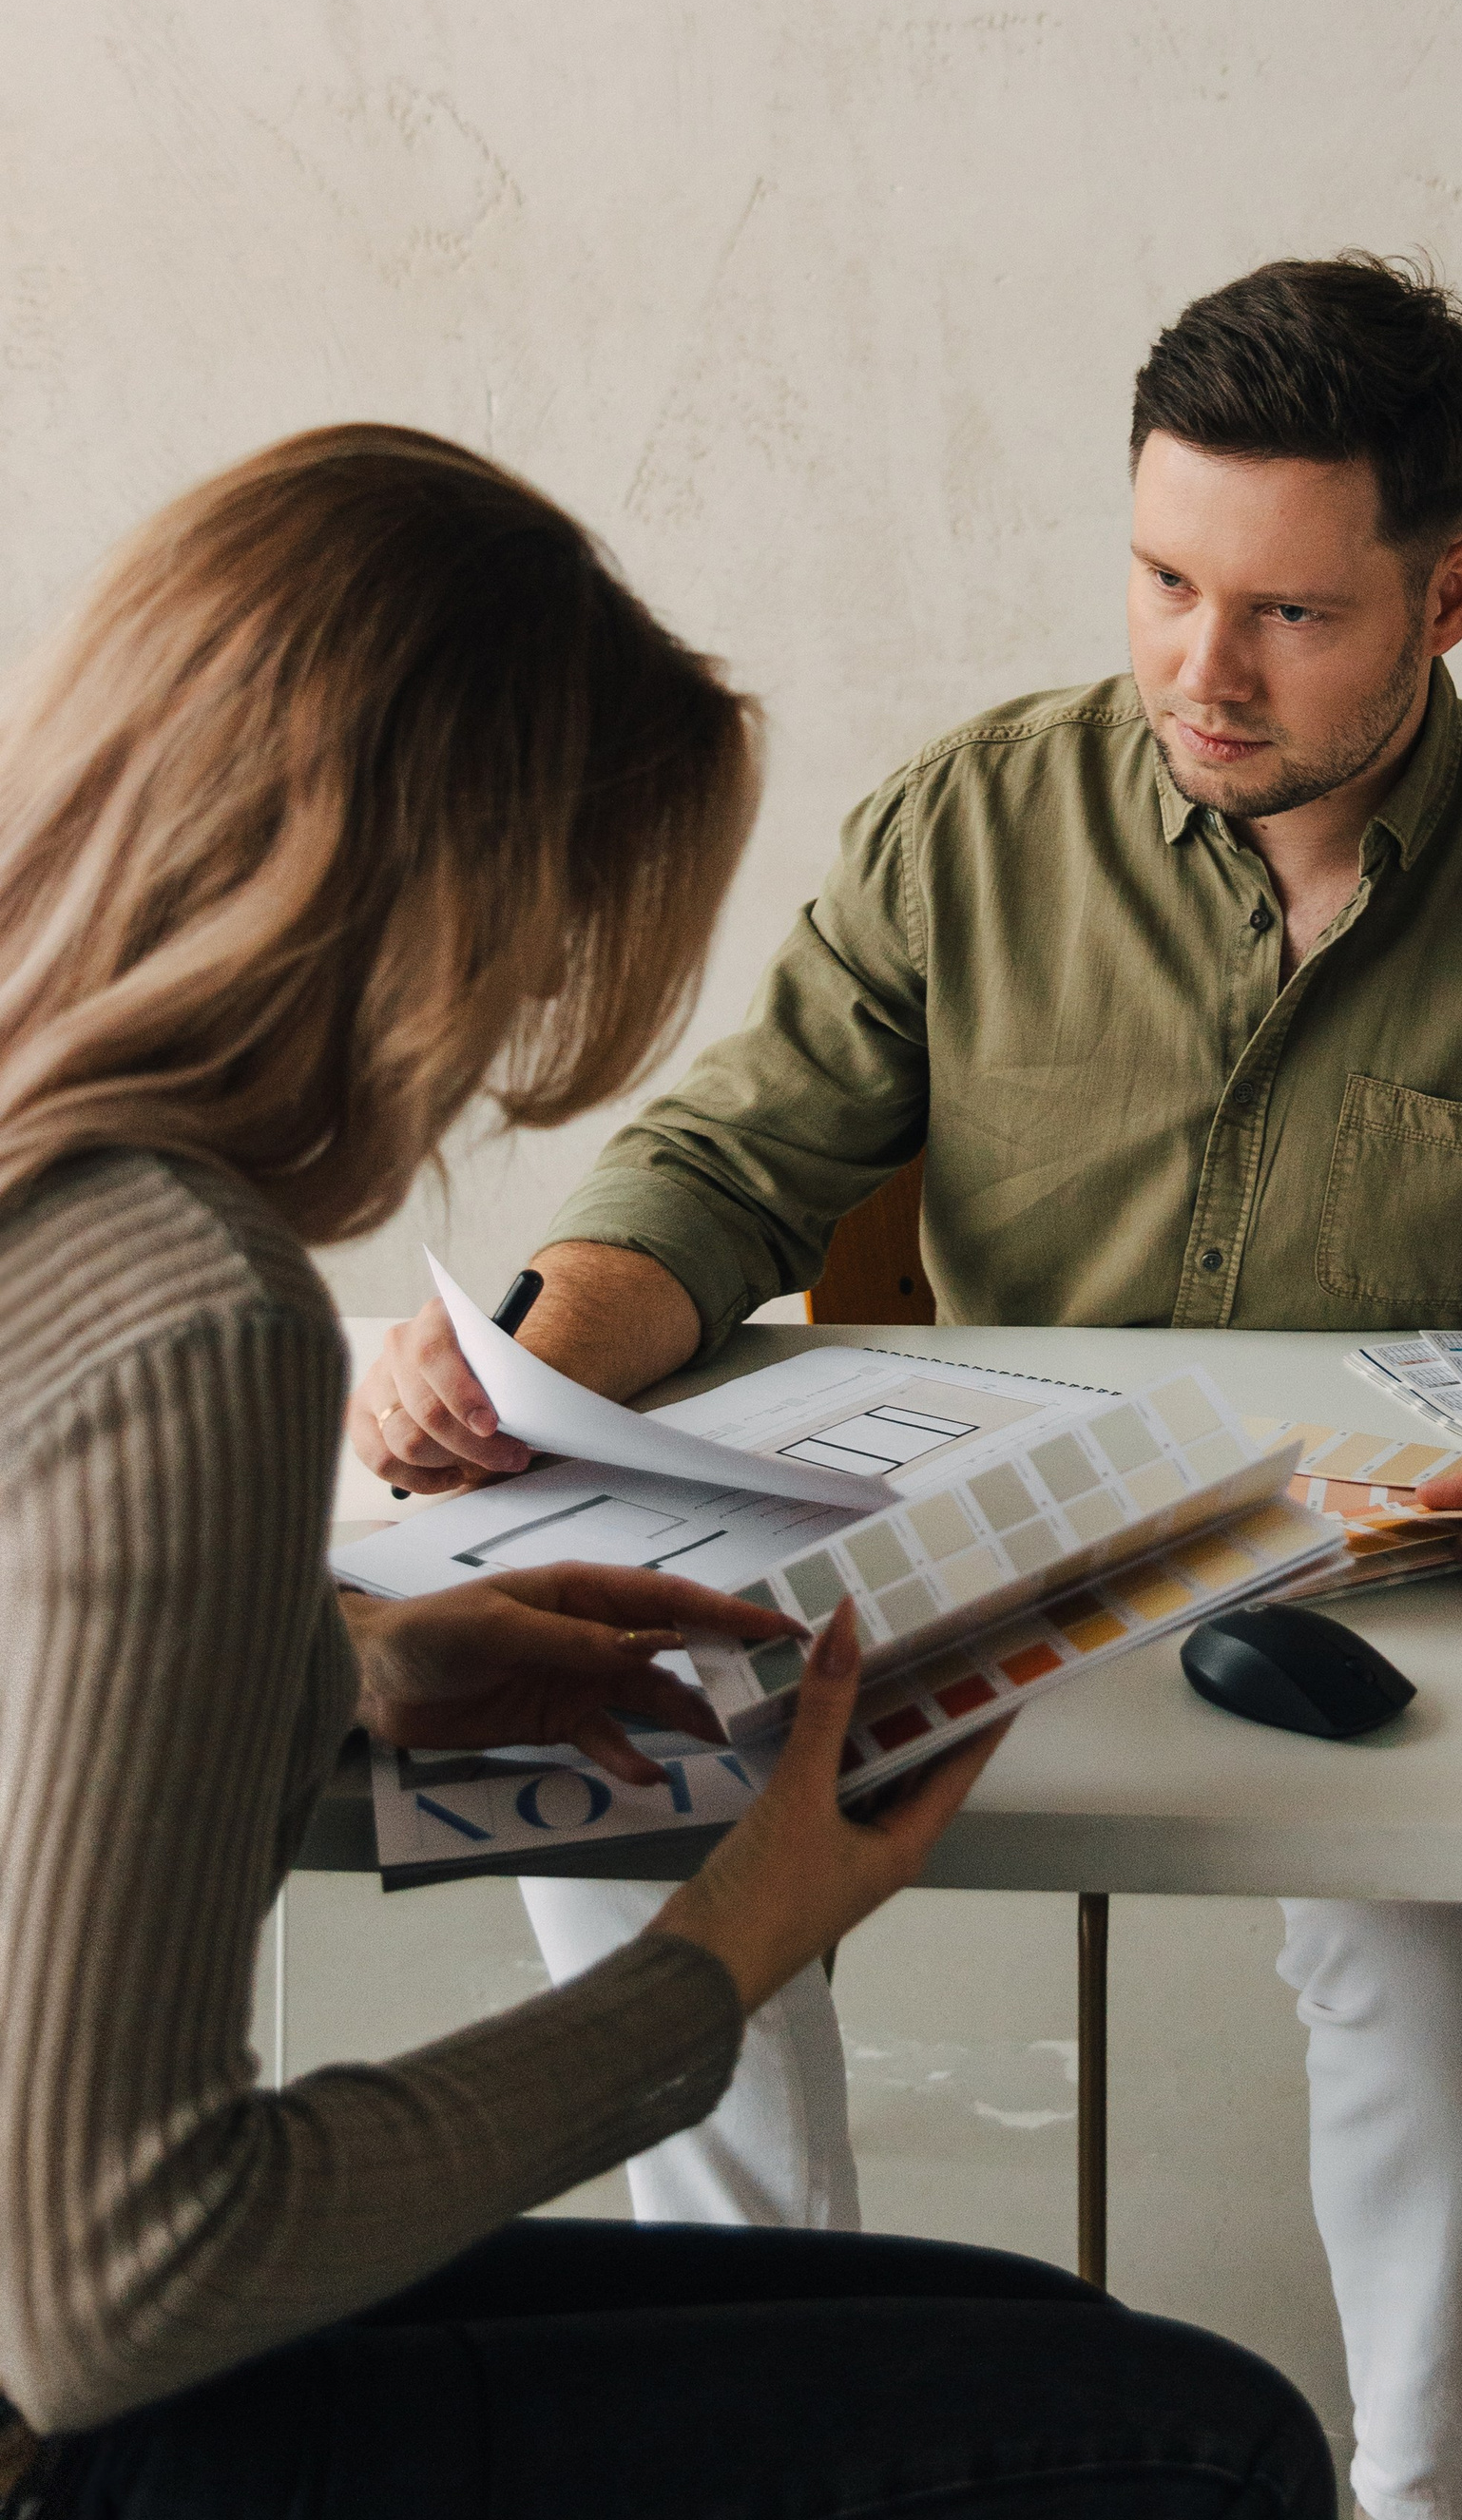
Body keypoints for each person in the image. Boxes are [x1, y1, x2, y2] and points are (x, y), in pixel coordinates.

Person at [357, 260, 1462, 2520]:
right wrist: (536, 1357)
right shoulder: (967, 831)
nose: (1197, 674)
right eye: (1159, 580)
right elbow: (727, 1165)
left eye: (1288, 616)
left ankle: (1431, 2492)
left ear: (1450, 594)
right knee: (614, 1763)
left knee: (1451, 1937)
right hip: (973, 1569)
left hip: (1396, 1621)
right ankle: (769, 2424)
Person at [0, 429, 1334, 2520]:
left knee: (1061, 2353)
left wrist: (357, 1663)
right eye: (545, 956)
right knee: (1198, 2441)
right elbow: (102, 2290)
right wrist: (727, 1946)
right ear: (431, 914)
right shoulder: (198, 1314)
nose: (518, 1035)